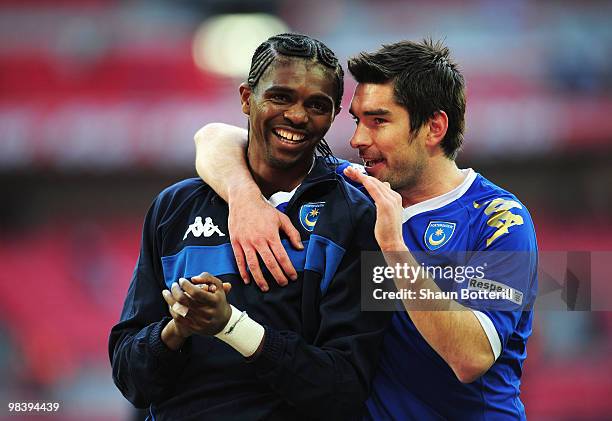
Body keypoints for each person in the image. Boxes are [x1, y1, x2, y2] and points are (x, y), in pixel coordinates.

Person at [193, 38, 538, 420]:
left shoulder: (498, 220)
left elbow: (470, 357)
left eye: (378, 121)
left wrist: (393, 247)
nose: (357, 139)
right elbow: (213, 137)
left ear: (434, 127)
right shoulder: (353, 188)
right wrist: (244, 198)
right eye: (357, 120)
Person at [109, 33, 390, 421]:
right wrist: (176, 330)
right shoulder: (173, 208)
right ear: (246, 98)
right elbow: (130, 380)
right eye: (280, 97)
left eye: (317, 105)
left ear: (333, 116)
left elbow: (345, 389)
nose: (297, 115)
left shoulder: (358, 217)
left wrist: (230, 326)